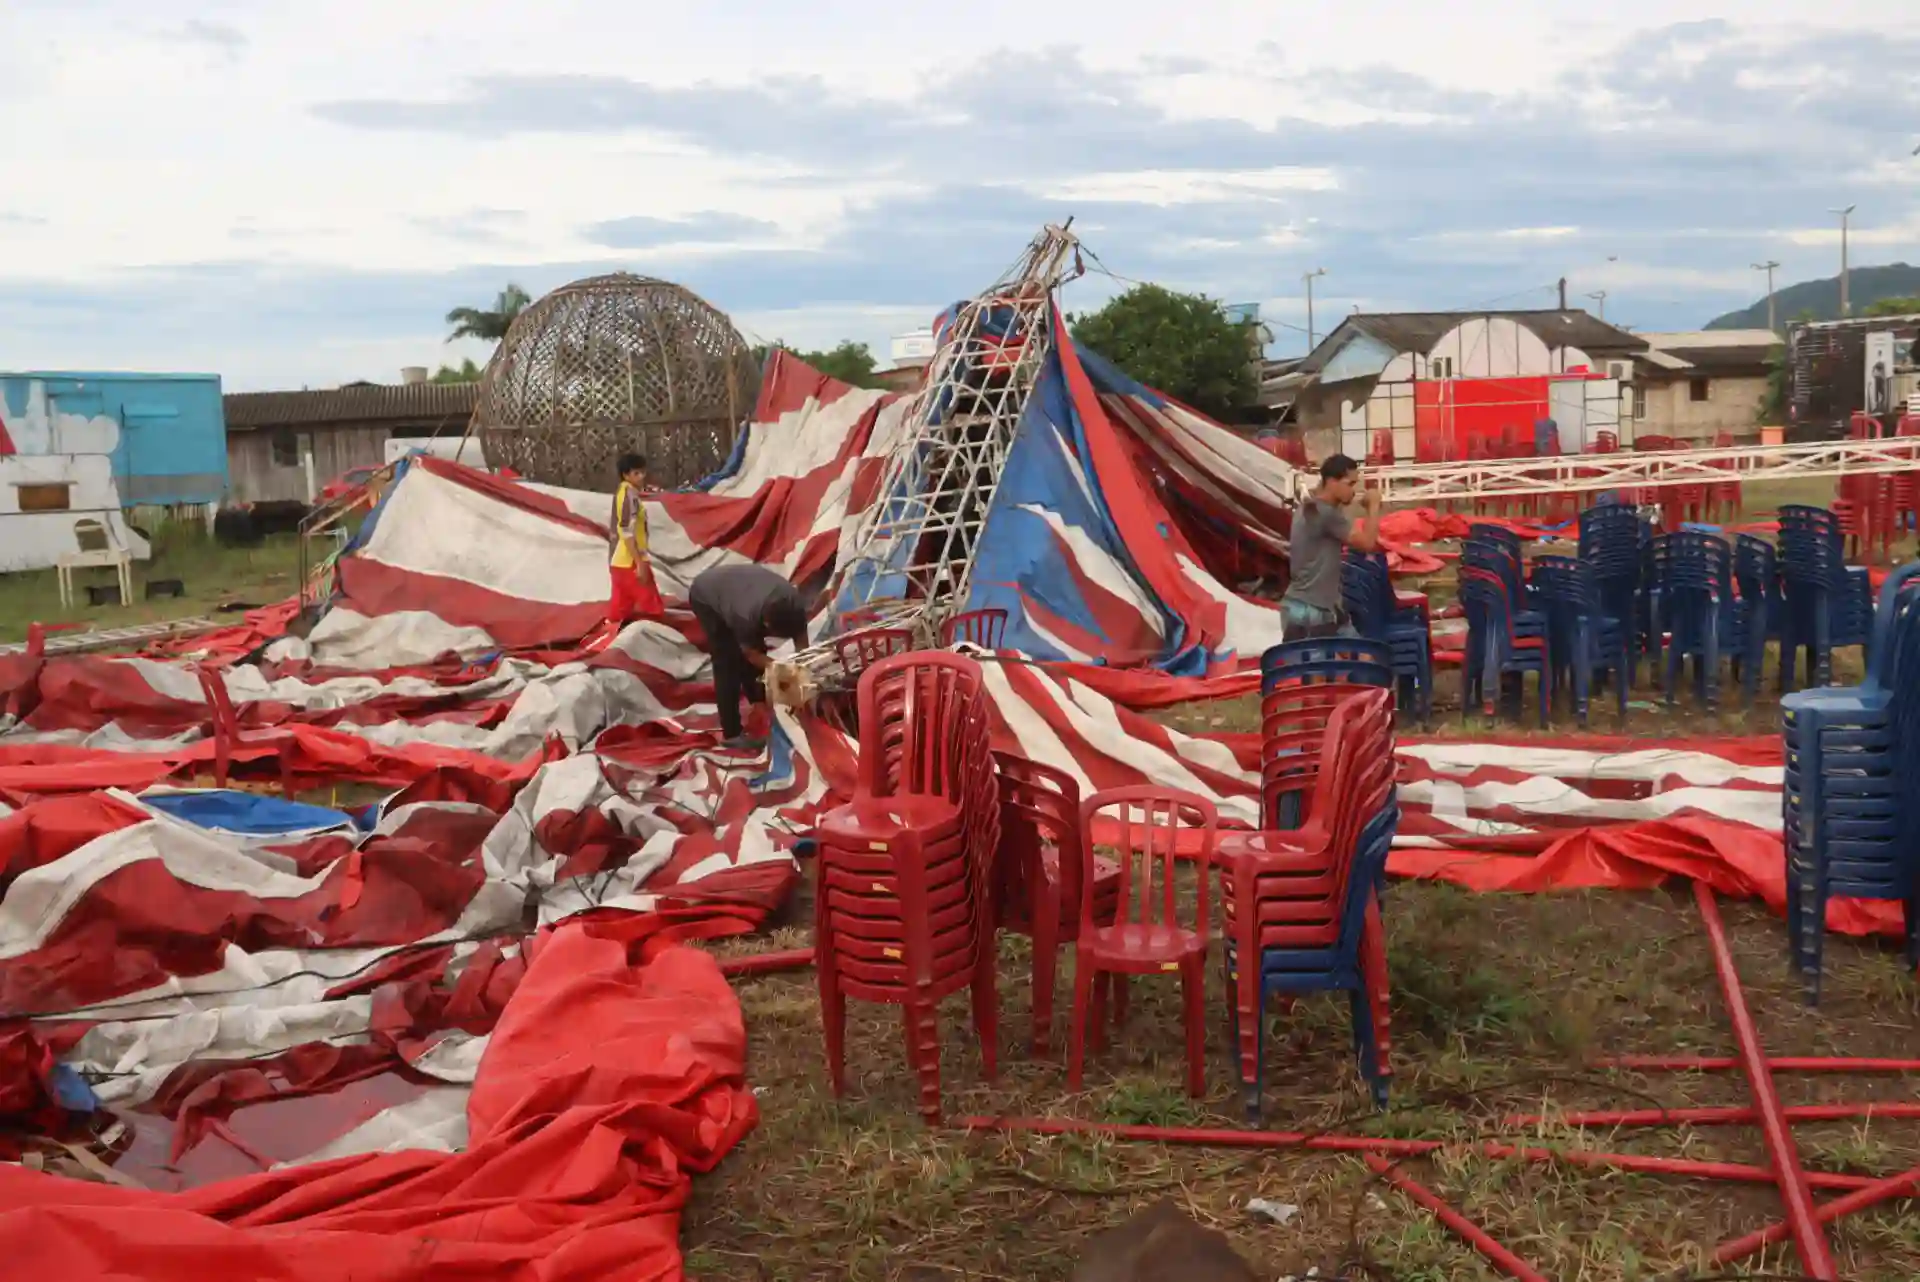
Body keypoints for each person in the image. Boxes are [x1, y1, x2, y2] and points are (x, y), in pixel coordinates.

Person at [688, 563, 811, 751]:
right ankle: (732, 734)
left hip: (738, 586)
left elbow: (803, 645)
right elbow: (752, 654)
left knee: (753, 650)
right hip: (706, 595)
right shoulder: (744, 616)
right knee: (727, 661)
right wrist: (784, 670)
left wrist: (805, 672)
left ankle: (758, 700)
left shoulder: (795, 603)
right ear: (766, 623)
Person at [1280, 453, 1380, 640]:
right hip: (1310, 612)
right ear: (1332, 482)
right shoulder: (1325, 514)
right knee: (1321, 668)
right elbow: (1368, 543)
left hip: (1324, 607)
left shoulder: (1311, 507)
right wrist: (1373, 506)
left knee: (1365, 661)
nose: (1353, 491)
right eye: (1350, 484)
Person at [608, 453, 664, 625]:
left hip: (620, 562)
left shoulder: (628, 493)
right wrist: (639, 563)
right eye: (636, 474)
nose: (641, 477)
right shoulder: (628, 496)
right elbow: (626, 531)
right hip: (630, 560)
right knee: (653, 610)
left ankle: (609, 643)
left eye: (642, 472)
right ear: (626, 475)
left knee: (619, 611)